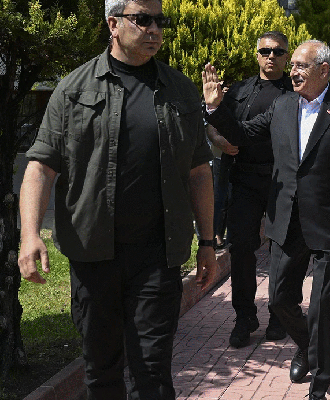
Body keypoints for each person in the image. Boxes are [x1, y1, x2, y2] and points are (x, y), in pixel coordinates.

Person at [17, 0, 218, 398]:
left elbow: (199, 172)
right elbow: (40, 167)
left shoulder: (179, 89)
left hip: (157, 256)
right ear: (113, 23)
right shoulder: (74, 88)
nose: (154, 29)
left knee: (153, 374)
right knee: (102, 372)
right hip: (93, 255)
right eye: (142, 20)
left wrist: (208, 243)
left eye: (159, 20)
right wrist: (29, 235)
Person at [202, 40, 330, 400]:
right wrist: (215, 108)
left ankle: (320, 383)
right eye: (292, 64)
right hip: (285, 220)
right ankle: (308, 347)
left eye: (300, 65)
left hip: (329, 223)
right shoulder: (282, 105)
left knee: (323, 306)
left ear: (324, 70)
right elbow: (243, 134)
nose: (292, 71)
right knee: (280, 300)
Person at [218, 30, 293, 348]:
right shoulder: (239, 90)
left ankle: (280, 315)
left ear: (287, 56)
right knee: (240, 248)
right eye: (265, 51)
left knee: (282, 250)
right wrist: (219, 140)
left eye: (278, 51)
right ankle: (244, 317)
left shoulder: (296, 90)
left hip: (283, 180)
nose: (271, 56)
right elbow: (216, 124)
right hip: (244, 179)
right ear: (257, 54)